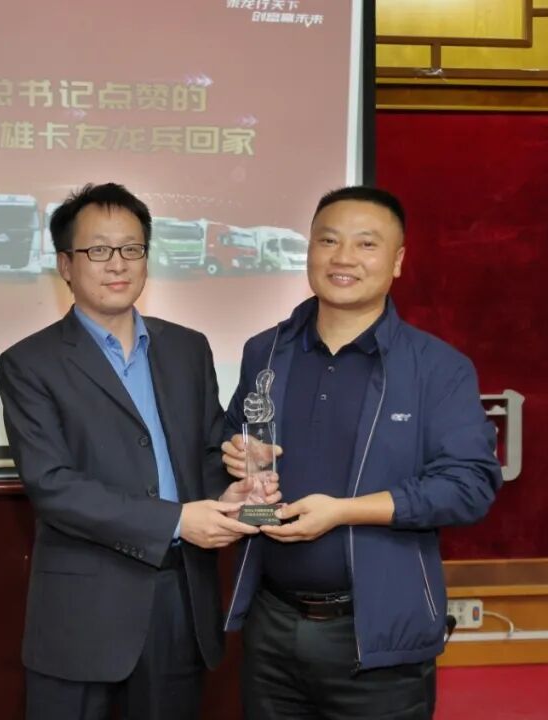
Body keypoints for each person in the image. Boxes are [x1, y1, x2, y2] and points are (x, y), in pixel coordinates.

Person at [221, 186, 503, 719]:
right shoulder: (266, 350)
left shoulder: (437, 367)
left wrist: (344, 511)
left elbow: (469, 486)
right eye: (328, 240)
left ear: (397, 261)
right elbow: (236, 436)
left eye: (366, 244)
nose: (343, 258)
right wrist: (236, 457)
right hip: (271, 625)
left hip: (378, 635)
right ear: (309, 249)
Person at [0, 182, 276, 720]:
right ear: (65, 265)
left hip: (180, 599)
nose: (117, 263)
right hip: (83, 610)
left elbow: (205, 451)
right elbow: (53, 487)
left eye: (131, 248)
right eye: (98, 250)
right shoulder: (29, 363)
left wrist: (232, 488)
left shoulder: (187, 348)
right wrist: (176, 520)